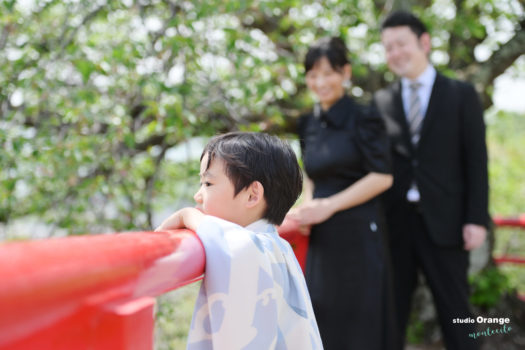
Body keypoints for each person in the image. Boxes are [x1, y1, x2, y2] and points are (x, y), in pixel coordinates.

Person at [373, 11, 489, 350]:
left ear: (425, 42)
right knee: (391, 313)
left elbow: (476, 161)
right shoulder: (381, 102)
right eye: (387, 47)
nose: (394, 53)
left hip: (448, 221)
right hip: (396, 224)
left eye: (401, 44)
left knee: (459, 314)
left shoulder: (462, 94)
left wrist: (476, 219)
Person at [156, 132, 323, 350]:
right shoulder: (275, 245)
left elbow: (232, 244)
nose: (198, 196)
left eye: (207, 183)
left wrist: (188, 215)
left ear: (253, 195)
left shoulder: (250, 247)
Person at [287, 36, 395, 349]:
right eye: (312, 75)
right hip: (322, 235)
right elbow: (311, 173)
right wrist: (308, 207)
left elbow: (382, 176)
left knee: (360, 320)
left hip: (359, 229)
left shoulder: (366, 117)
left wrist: (329, 206)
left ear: (345, 72)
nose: (320, 82)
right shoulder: (307, 122)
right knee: (323, 316)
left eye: (328, 73)